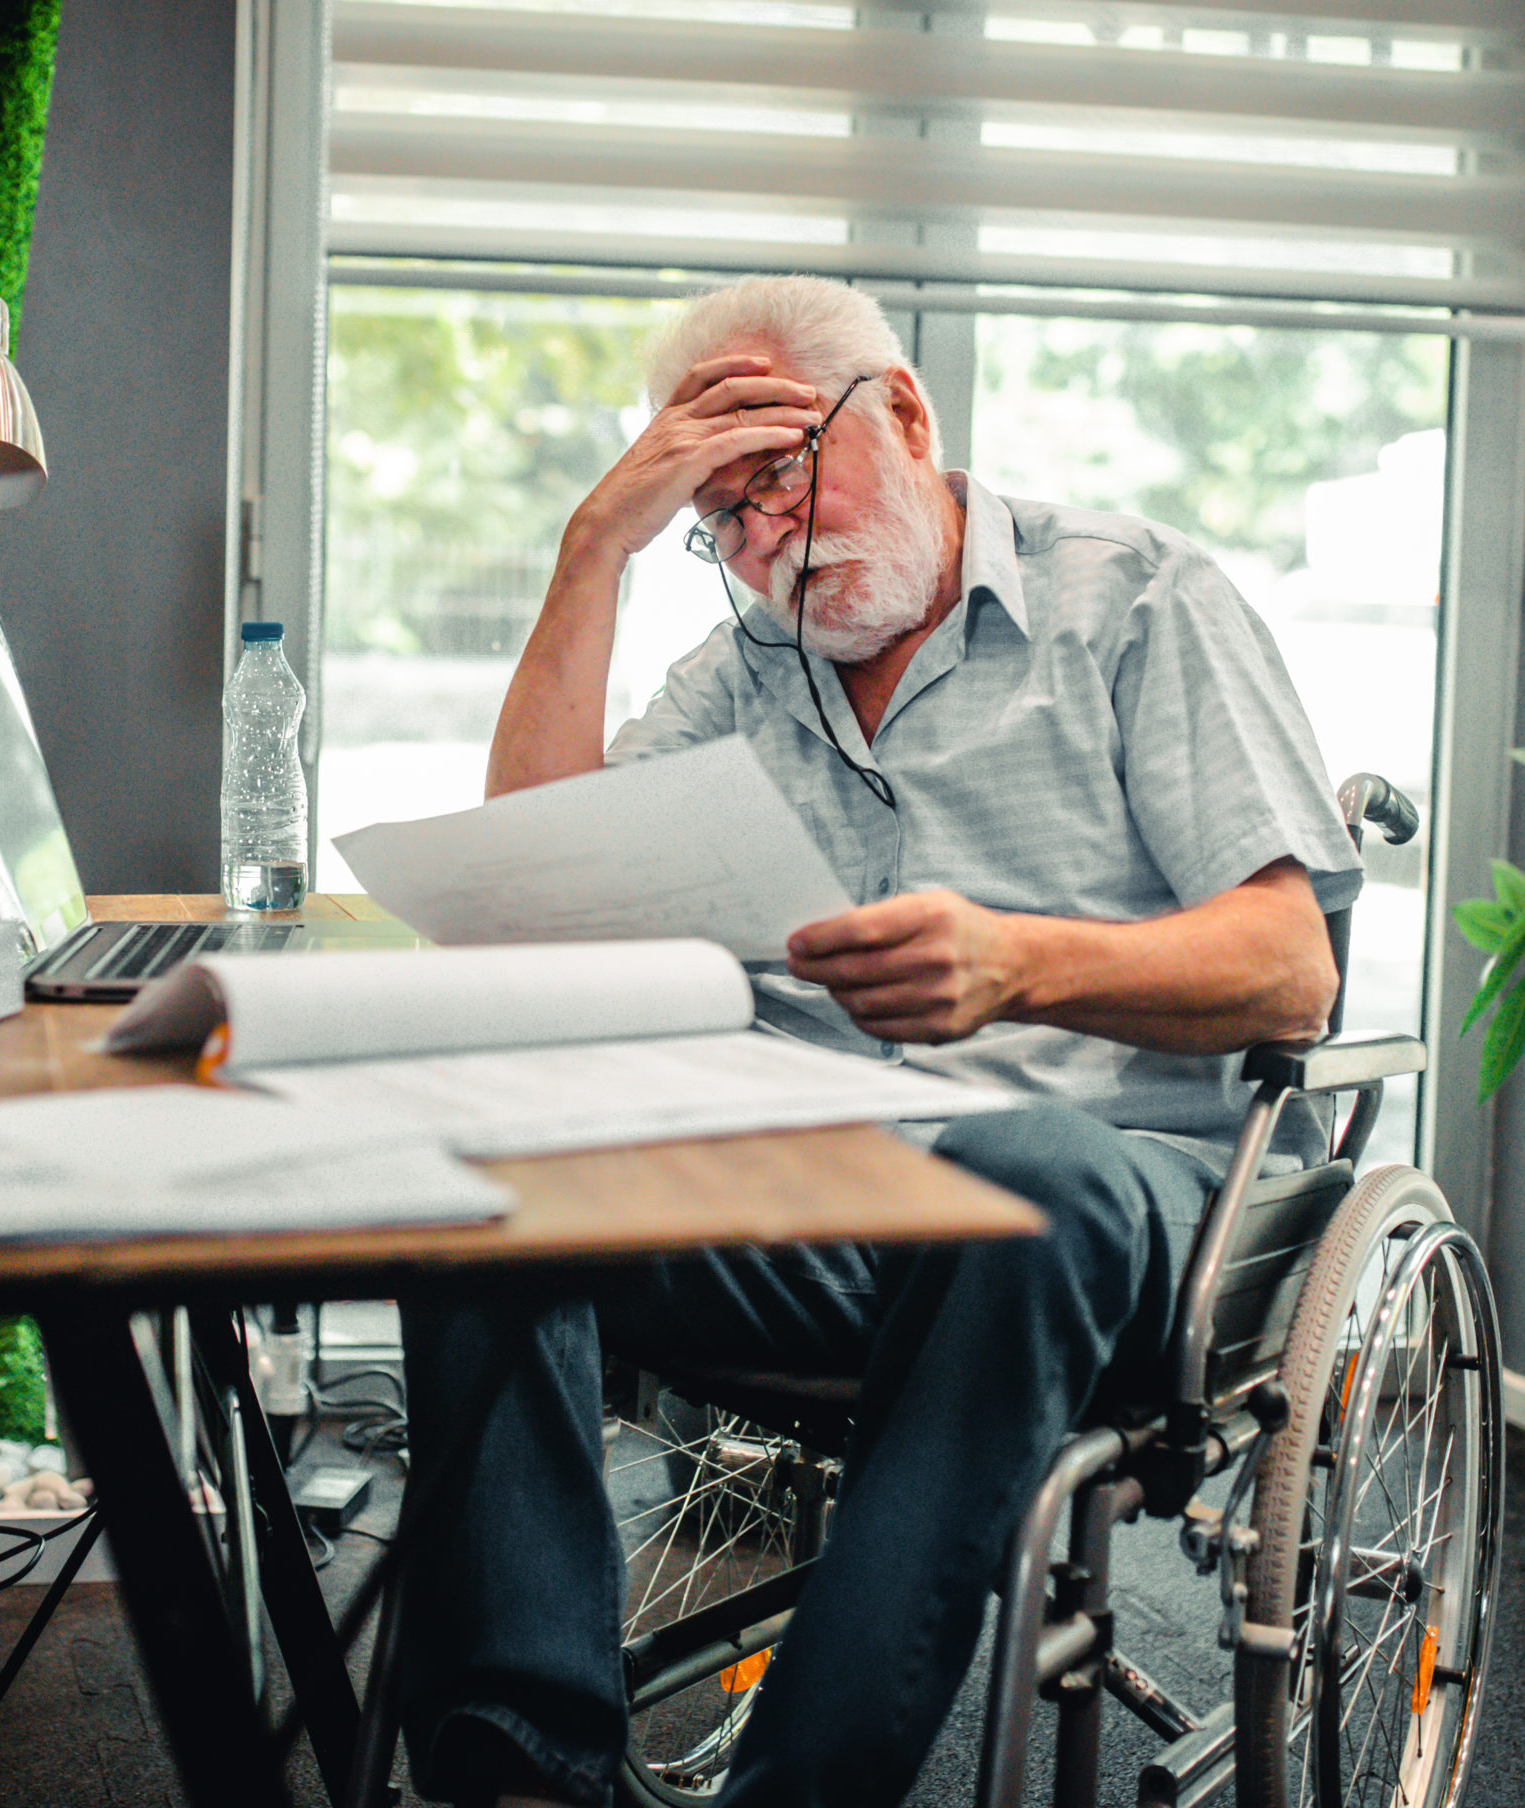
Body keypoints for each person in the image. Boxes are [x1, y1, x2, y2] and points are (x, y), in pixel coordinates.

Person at [399, 275, 1363, 1808]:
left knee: (1026, 1165)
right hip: (828, 1198)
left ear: (905, 412)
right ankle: (528, 1765)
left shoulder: (1138, 599)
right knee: (488, 1176)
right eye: (719, 517)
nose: (763, 542)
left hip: (1119, 1205)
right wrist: (598, 546)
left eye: (773, 477)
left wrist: (1019, 967)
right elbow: (525, 891)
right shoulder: (743, 675)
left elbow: (1287, 970)